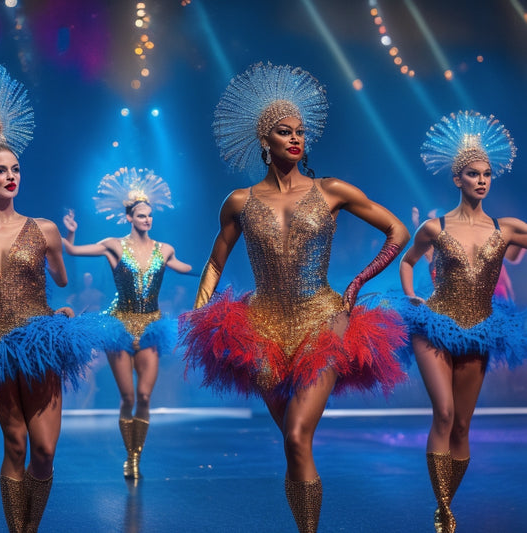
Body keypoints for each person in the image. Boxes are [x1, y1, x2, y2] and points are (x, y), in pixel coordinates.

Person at [179, 62, 410, 533]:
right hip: (259, 331)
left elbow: (397, 231)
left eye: (300, 131)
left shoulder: (330, 190)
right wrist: (202, 313)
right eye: (284, 132)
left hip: (324, 320)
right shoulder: (239, 202)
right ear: (264, 140)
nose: (295, 138)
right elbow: (215, 262)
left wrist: (358, 281)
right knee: (290, 441)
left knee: (299, 434)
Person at [0, 65, 117, 533]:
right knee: (15, 444)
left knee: (44, 452)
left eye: (16, 169)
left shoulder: (42, 228)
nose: (11, 176)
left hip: (40, 340)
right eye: (1, 170)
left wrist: (60, 308)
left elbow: (60, 282)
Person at [399, 110, 527, 532]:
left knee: (464, 425)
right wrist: (411, 294)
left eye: (487, 174)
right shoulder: (434, 227)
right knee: (445, 413)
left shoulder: (504, 227)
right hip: (434, 324)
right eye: (473, 174)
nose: (482, 180)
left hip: (481, 328)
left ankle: (444, 503)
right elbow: (408, 260)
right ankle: (445, 511)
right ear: (458, 179)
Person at [62, 167, 192, 481]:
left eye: (150, 216)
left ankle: (136, 456)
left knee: (145, 397)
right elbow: (73, 250)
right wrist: (70, 233)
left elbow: (184, 267)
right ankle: (128, 456)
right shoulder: (114, 245)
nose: (148, 220)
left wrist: (213, 267)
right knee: (128, 398)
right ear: (130, 217)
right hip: (119, 326)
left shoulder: (165, 250)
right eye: (142, 216)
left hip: (151, 327)